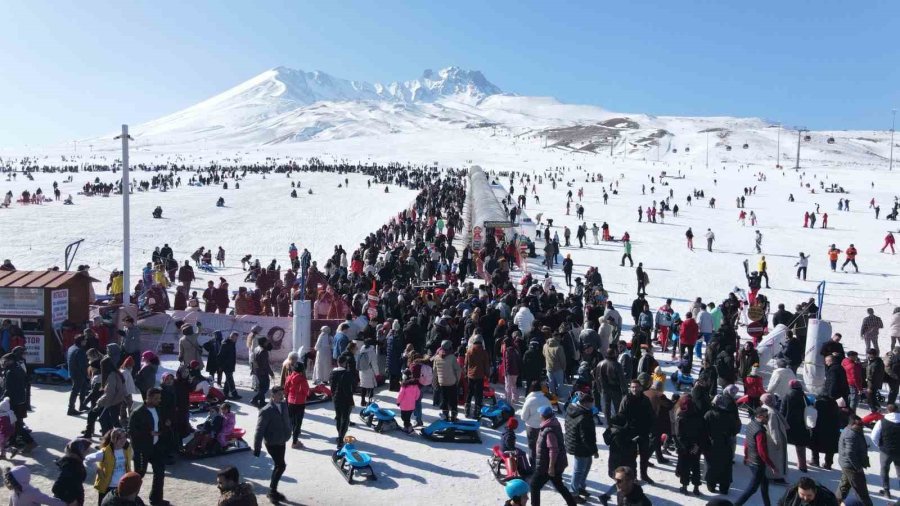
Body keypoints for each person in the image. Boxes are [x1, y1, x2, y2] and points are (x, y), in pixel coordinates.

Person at [127, 387, 169, 506]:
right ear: (148, 398)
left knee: (160, 472)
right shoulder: (137, 412)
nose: (158, 401)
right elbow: (130, 431)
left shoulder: (158, 409)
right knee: (138, 475)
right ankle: (131, 500)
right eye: (156, 398)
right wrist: (148, 433)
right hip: (142, 449)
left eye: (159, 398)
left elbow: (159, 425)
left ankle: (156, 499)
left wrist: (164, 427)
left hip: (156, 446)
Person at [530, 405, 577, 506]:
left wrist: (551, 467)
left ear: (543, 416)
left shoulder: (549, 430)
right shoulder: (553, 424)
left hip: (547, 466)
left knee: (534, 485)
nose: (539, 416)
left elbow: (553, 450)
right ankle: (572, 503)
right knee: (559, 485)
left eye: (540, 414)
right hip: (556, 464)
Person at [252, 386, 291, 503]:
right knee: (281, 465)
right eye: (279, 394)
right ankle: (272, 491)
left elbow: (287, 419)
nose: (282, 396)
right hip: (272, 443)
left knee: (279, 465)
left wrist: (289, 431)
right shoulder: (265, 410)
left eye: (283, 394)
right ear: (272, 395)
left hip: (282, 440)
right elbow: (259, 430)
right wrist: (257, 447)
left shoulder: (284, 405)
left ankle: (273, 491)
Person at [735, 409, 777, 506]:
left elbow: (746, 443)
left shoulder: (751, 424)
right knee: (752, 489)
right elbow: (762, 452)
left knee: (764, 483)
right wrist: (772, 466)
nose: (768, 418)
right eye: (766, 416)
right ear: (760, 417)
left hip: (751, 460)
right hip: (758, 463)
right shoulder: (760, 431)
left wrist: (746, 456)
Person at [619, 379, 654, 484]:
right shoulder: (626, 399)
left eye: (636, 387)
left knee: (644, 455)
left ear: (641, 388)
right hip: (630, 433)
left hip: (643, 431)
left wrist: (650, 429)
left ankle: (644, 475)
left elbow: (651, 415)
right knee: (631, 456)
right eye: (632, 387)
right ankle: (633, 477)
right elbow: (620, 415)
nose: (634, 389)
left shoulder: (645, 399)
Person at [705, 394, 741, 494]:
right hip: (726, 444)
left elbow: (703, 429)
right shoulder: (729, 416)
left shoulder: (709, 414)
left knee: (711, 466)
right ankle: (724, 487)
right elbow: (736, 429)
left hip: (711, 444)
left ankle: (711, 486)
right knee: (726, 467)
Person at [86, 428, 134, 504]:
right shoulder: (104, 452)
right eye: (121, 438)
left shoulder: (128, 449)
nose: (124, 440)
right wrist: (98, 470)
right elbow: (87, 459)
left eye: (125, 437)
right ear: (114, 439)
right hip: (108, 487)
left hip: (122, 486)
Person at [565, 393, 597, 501]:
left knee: (587, 465)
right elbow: (587, 437)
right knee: (579, 470)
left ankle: (580, 487)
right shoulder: (583, 416)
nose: (593, 405)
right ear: (585, 403)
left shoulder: (573, 409)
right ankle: (573, 493)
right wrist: (594, 450)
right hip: (581, 447)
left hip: (576, 443)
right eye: (591, 403)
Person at [836, 415, 873, 506]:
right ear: (852, 424)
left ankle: (835, 501)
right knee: (862, 492)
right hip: (851, 467)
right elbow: (850, 454)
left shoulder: (852, 430)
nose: (862, 426)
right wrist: (858, 468)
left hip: (847, 465)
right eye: (859, 424)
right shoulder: (851, 434)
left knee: (844, 485)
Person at [780, 380, 810, 472]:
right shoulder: (804, 396)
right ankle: (802, 465)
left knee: (783, 444)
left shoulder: (787, 395)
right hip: (802, 424)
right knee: (800, 446)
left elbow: (782, 410)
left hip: (789, 424)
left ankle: (782, 463)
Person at [871, 402, 900, 498]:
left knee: (884, 470)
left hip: (886, 451)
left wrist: (879, 446)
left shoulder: (882, 421)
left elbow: (874, 436)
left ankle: (886, 491)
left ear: (888, 410)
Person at [51, 438, 92, 506]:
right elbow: (56, 488)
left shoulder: (75, 461)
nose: (89, 451)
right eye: (86, 449)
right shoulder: (71, 467)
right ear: (79, 451)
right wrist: (71, 500)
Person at [522, 380, 551, 464]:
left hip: (531, 428)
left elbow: (523, 417)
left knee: (532, 448)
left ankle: (533, 467)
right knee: (543, 448)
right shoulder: (546, 400)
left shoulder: (529, 401)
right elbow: (550, 413)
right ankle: (543, 465)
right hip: (544, 427)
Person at [432, 340, 461, 422]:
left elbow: (434, 372)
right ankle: (453, 416)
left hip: (442, 383)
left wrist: (434, 383)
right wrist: (457, 380)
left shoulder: (436, 358)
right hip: (451, 382)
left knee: (444, 399)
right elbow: (458, 370)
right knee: (453, 400)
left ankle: (445, 415)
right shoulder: (452, 358)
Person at [330, 354, 355, 447]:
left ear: (337, 362)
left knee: (338, 417)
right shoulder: (347, 374)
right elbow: (349, 389)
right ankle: (341, 438)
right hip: (345, 399)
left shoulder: (332, 373)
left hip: (336, 398)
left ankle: (339, 435)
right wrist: (351, 401)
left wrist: (333, 396)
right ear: (344, 363)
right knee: (345, 418)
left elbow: (332, 388)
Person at [465, 335, 490, 416]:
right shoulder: (484, 352)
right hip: (479, 376)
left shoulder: (469, 351)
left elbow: (466, 364)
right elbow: (486, 365)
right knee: (478, 394)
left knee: (469, 393)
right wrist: (487, 374)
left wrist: (466, 373)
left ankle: (467, 409)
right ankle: (477, 411)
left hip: (470, 375)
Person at [67, 335, 89, 416]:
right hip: (78, 374)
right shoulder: (80, 350)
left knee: (83, 388)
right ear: (81, 341)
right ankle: (71, 409)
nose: (86, 342)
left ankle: (82, 405)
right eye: (85, 340)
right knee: (75, 391)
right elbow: (82, 365)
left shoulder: (71, 348)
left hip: (72, 372)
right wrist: (87, 374)